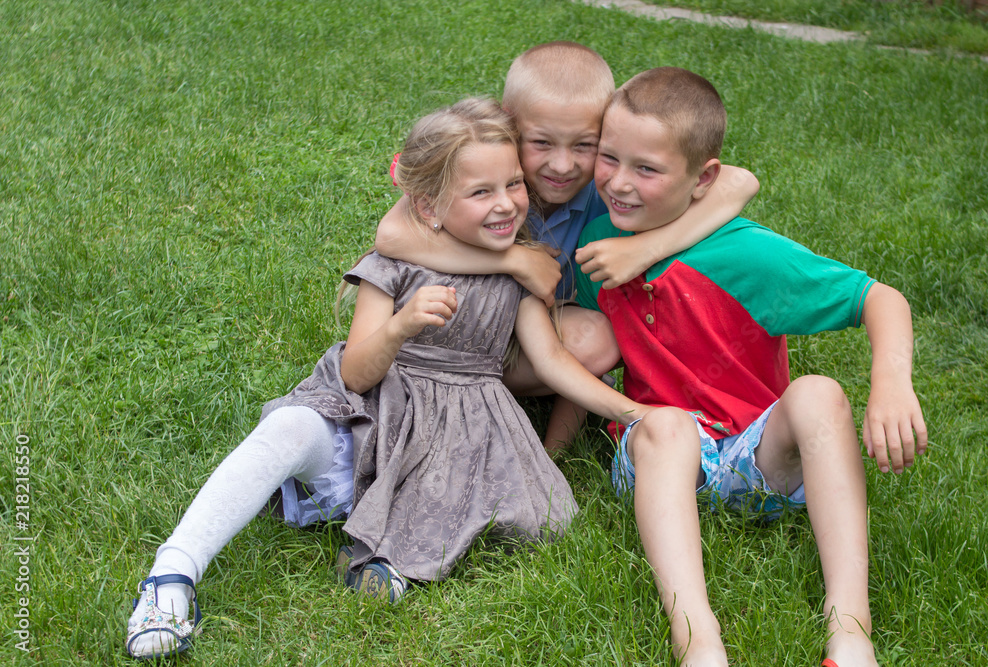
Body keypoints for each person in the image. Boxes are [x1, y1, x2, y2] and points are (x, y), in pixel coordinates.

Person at [124, 97, 651, 659]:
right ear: (428, 207)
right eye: (481, 192)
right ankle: (173, 573)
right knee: (288, 428)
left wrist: (635, 414)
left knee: (520, 505)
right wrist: (400, 327)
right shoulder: (393, 267)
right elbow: (356, 373)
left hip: (456, 435)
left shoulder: (518, 276)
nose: (505, 204)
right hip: (370, 420)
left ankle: (387, 563)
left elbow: (551, 362)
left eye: (514, 184)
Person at [573, 67, 928, 667]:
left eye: (647, 169)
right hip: (662, 463)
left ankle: (851, 630)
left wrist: (891, 383)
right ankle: (697, 640)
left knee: (819, 393)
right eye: (609, 158)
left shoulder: (748, 253)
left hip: (758, 457)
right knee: (666, 424)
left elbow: (879, 298)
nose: (619, 183)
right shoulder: (599, 244)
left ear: (703, 178)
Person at [375, 42, 759, 452]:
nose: (562, 166)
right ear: (510, 125)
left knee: (602, 335)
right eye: (541, 143)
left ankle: (530, 409)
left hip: (538, 334)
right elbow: (390, 236)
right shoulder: (484, 170)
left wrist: (645, 249)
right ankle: (462, 389)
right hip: (448, 336)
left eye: (584, 145)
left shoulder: (613, 190)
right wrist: (515, 259)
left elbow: (741, 182)